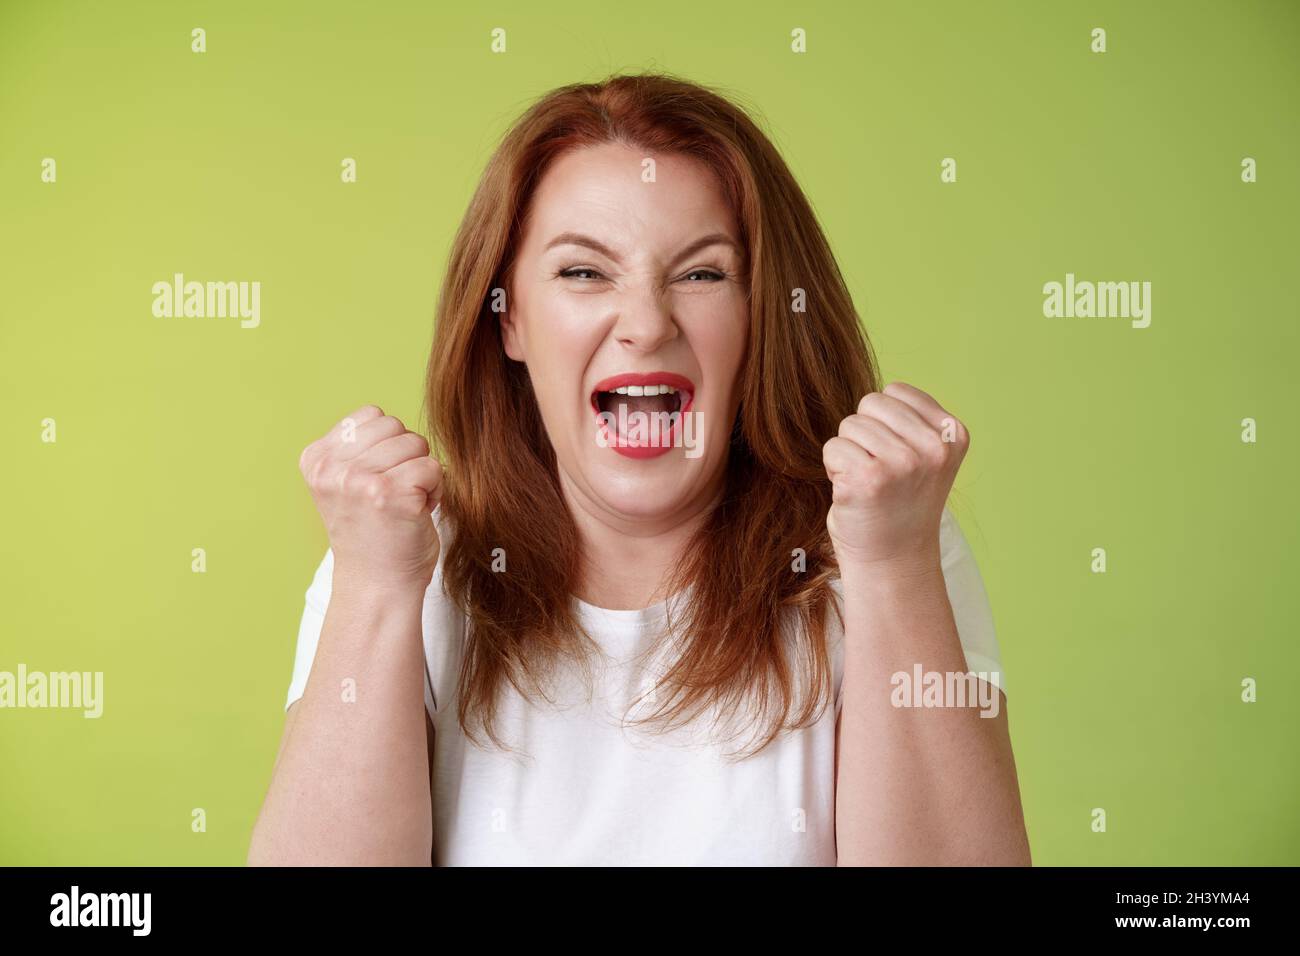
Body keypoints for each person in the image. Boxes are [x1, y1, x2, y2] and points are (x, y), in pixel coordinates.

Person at [248, 72, 1031, 866]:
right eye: (584, 272)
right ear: (507, 317)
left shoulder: (880, 549)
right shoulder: (404, 561)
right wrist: (375, 588)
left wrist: (896, 567)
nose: (648, 325)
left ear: (763, 315)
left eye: (702, 273)